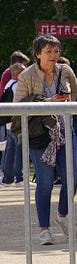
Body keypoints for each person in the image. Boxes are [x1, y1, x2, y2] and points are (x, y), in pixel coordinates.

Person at [10, 36, 77, 245]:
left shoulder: (66, 71)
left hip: (65, 131)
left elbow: (75, 91)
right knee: (45, 182)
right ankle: (44, 229)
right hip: (40, 137)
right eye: (48, 52)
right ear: (38, 54)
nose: (53, 56)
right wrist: (49, 102)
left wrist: (66, 104)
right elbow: (17, 107)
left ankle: (62, 214)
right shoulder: (26, 76)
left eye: (56, 51)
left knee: (73, 177)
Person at [2, 55, 29, 184]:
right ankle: (20, 177)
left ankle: (7, 178)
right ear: (18, 74)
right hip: (17, 121)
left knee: (10, 149)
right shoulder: (17, 85)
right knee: (20, 148)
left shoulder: (8, 84)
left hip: (9, 121)